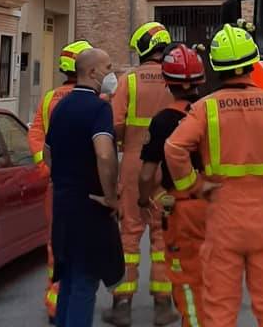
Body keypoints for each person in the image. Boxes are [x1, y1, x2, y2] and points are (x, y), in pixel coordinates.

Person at [165, 23, 263, 327]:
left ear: (216, 67)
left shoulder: (204, 109)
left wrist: (196, 186)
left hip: (223, 218)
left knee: (220, 312)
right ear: (253, 63)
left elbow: (174, 149)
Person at [45, 48, 124, 327]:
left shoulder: (60, 107)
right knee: (84, 282)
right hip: (89, 206)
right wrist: (111, 196)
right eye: (109, 67)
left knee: (67, 278)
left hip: (63, 205)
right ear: (92, 73)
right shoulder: (99, 108)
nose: (112, 73)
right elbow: (104, 154)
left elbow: (47, 154)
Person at [105, 22, 177, 326]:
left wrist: (127, 140)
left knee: (129, 236)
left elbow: (114, 125)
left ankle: (122, 305)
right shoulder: (176, 78)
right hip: (170, 164)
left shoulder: (128, 81)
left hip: (135, 164)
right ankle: (163, 306)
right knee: (163, 236)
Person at [139, 45, 208, 327]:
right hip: (218, 203)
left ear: (167, 81)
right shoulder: (211, 112)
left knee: (186, 279)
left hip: (183, 209)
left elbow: (146, 175)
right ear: (201, 79)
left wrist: (146, 199)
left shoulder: (163, 121)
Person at [29, 40, 96, 322]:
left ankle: (55, 303)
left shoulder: (49, 98)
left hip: (56, 185)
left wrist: (45, 169)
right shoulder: (95, 101)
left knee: (56, 244)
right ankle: (74, 302)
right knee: (84, 245)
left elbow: (35, 135)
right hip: (86, 187)